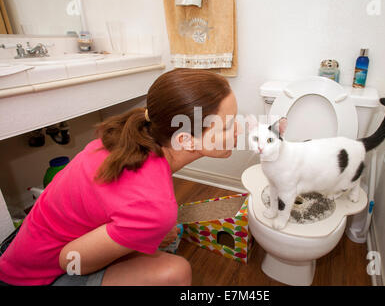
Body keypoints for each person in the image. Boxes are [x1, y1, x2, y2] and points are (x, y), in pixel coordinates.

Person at [0, 68, 241, 286]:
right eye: (228, 126)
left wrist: (143, 234)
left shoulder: (127, 141)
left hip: (27, 248)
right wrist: (145, 237)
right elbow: (70, 261)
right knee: (175, 272)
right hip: (34, 278)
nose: (239, 130)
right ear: (185, 140)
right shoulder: (153, 204)